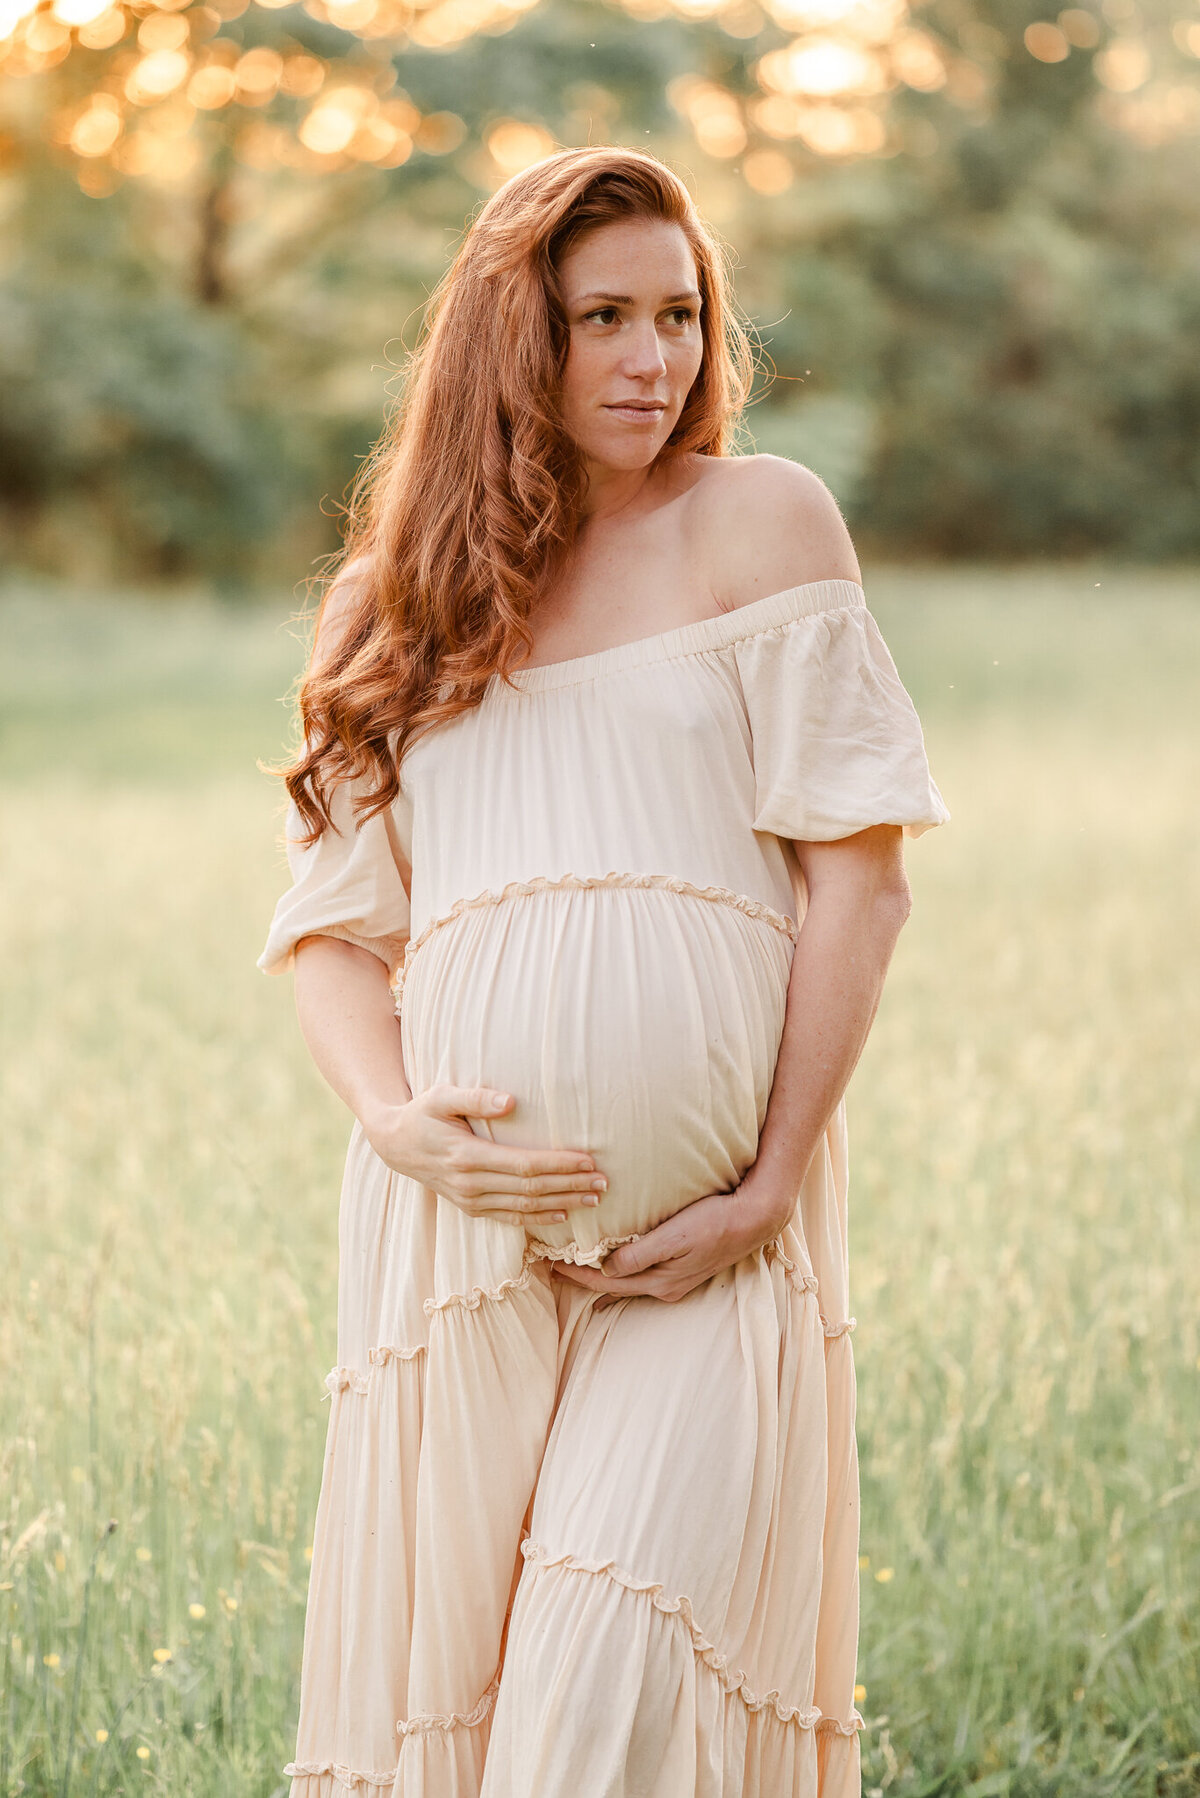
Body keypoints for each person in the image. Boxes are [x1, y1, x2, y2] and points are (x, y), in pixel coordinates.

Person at [259, 144, 948, 1798]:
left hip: (708, 1242)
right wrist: (396, 1118)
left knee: (599, 1690)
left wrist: (771, 1179)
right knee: (463, 1712)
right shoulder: (392, 606)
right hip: (456, 1244)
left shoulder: (760, 521)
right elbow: (337, 934)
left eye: (683, 316)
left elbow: (860, 880)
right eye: (604, 320)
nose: (656, 361)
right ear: (516, 339)